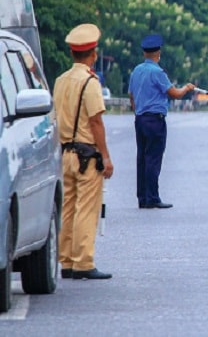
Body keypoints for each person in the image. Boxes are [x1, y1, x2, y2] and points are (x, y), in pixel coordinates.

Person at [53, 23, 114, 280]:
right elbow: (95, 122)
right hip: (87, 156)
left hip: (65, 153)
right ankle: (83, 262)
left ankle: (65, 261)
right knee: (86, 209)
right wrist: (106, 157)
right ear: (93, 54)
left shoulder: (60, 80)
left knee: (67, 208)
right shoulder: (90, 82)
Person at [128, 33, 195, 209]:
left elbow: (131, 96)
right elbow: (174, 94)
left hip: (140, 119)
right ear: (158, 53)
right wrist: (187, 88)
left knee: (142, 158)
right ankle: (153, 197)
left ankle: (142, 197)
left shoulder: (136, 71)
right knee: (153, 158)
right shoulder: (158, 73)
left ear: (144, 53)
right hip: (155, 121)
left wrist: (138, 111)